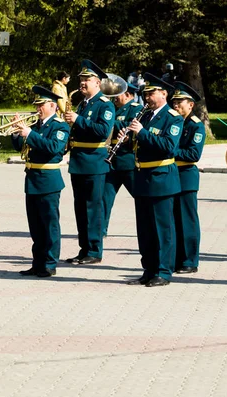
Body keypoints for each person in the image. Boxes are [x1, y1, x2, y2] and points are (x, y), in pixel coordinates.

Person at [124, 72, 183, 287]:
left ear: (164, 94)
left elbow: (169, 147)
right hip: (142, 178)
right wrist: (128, 138)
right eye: (145, 93)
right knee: (145, 229)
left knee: (162, 229)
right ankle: (148, 270)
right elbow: (138, 146)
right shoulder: (144, 116)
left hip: (161, 178)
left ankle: (164, 272)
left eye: (150, 93)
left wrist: (142, 134)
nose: (146, 97)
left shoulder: (173, 117)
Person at [12, 85, 70, 278]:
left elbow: (54, 148)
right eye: (37, 105)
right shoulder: (36, 126)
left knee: (50, 225)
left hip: (48, 180)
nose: (38, 108)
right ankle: (37, 263)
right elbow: (20, 146)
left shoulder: (60, 126)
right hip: (33, 180)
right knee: (35, 227)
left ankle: (50, 264)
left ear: (52, 105)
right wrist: (16, 132)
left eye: (41, 104)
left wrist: (29, 134)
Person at [63, 59, 116, 265]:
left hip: (94, 162)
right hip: (79, 161)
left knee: (93, 208)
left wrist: (78, 120)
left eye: (87, 80)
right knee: (80, 208)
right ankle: (84, 249)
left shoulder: (105, 104)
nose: (82, 83)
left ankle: (94, 250)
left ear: (97, 83)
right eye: (81, 79)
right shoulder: (82, 104)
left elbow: (103, 131)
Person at [171, 81, 206, 274]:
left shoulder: (195, 126)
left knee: (187, 221)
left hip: (186, 177)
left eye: (180, 102)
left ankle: (190, 261)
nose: (176, 105)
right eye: (174, 102)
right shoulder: (174, 122)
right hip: (172, 176)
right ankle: (177, 259)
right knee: (174, 220)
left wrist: (169, 151)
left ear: (190, 105)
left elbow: (193, 154)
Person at [102, 83, 143, 237]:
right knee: (104, 198)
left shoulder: (136, 109)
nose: (115, 97)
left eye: (118, 94)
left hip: (127, 161)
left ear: (128, 95)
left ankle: (147, 227)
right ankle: (101, 230)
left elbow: (130, 126)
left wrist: (108, 123)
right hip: (111, 161)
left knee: (140, 197)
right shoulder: (112, 107)